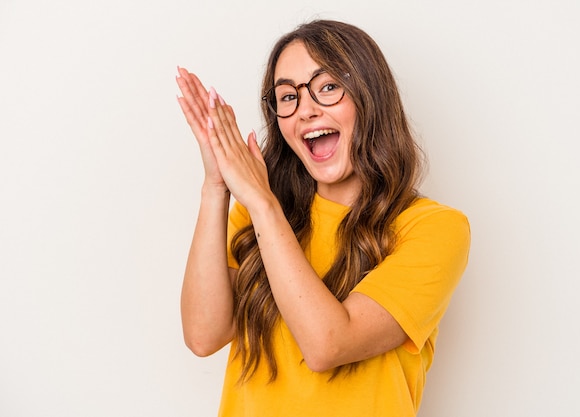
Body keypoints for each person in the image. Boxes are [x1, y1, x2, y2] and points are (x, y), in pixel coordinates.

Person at [175, 19, 470, 417]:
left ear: (369, 96)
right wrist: (216, 186)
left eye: (328, 86)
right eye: (287, 97)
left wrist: (262, 203)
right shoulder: (260, 212)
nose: (306, 110)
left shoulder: (435, 228)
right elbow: (203, 335)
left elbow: (328, 344)